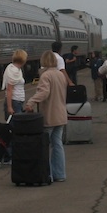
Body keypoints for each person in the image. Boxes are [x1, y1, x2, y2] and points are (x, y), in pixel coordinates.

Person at [25, 50, 68, 182]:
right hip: (61, 115)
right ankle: (60, 174)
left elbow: (44, 92)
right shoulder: (61, 75)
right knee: (58, 145)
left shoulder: (46, 76)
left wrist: (30, 102)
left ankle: (46, 174)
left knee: (44, 146)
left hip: (50, 115)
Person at [3, 50, 27, 120]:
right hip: (14, 102)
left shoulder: (17, 70)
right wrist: (9, 107)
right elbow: (9, 89)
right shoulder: (13, 71)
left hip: (18, 101)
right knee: (16, 125)